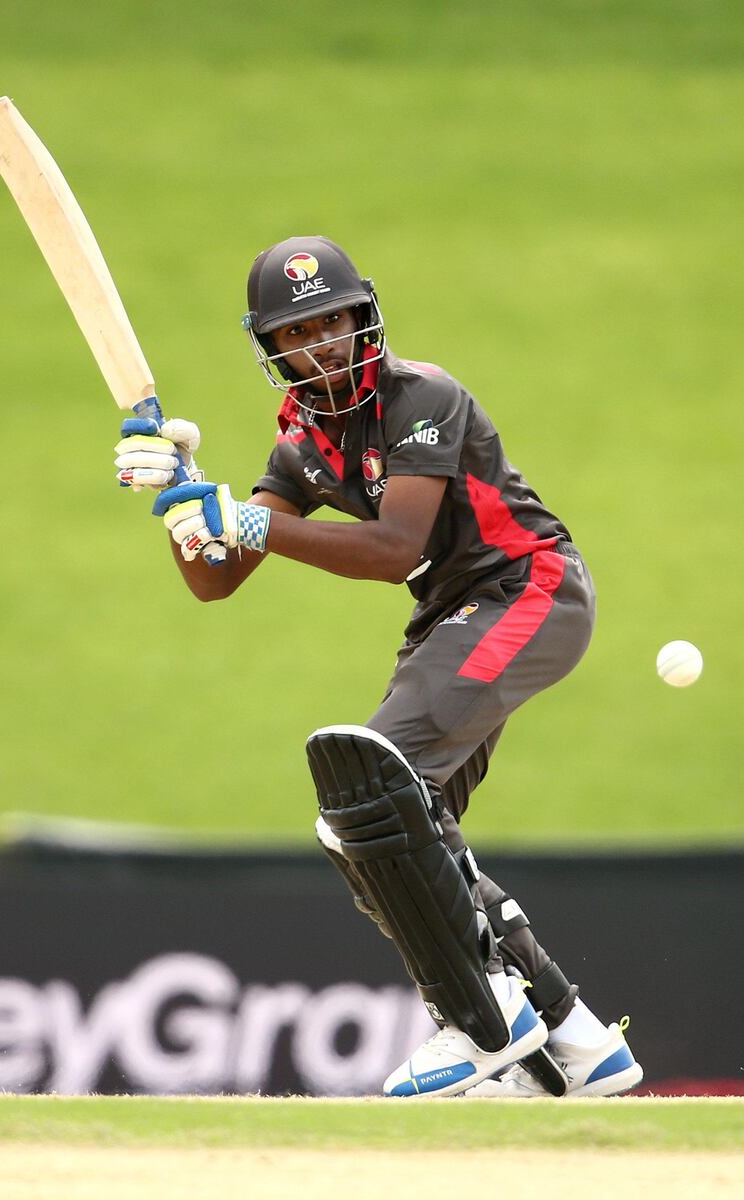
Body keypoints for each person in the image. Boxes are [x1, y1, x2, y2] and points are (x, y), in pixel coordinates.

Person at [113, 235, 643, 1098]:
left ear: (365, 316)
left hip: (530, 590)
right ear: (272, 349)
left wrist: (245, 522)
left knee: (372, 786)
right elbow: (214, 582)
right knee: (382, 822)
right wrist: (182, 492)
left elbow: (392, 547)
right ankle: (574, 1035)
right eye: (299, 332)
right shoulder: (300, 449)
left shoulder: (420, 397)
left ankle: (481, 1025)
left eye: (334, 319)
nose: (321, 342)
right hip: (452, 616)